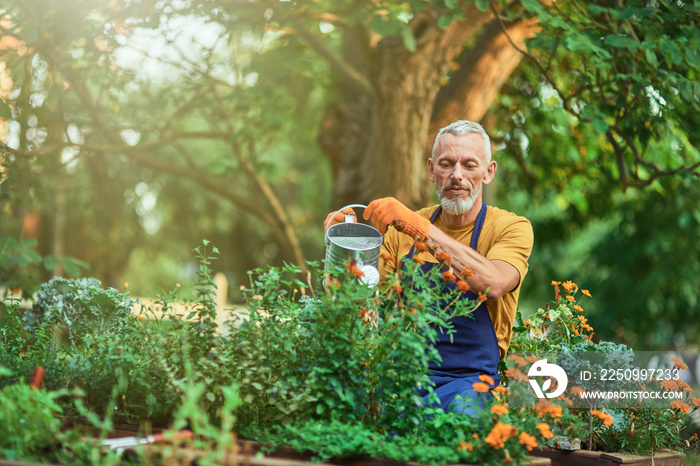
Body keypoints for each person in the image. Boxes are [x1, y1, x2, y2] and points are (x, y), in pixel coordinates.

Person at [325, 120, 533, 415]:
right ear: (431, 170)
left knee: (463, 422)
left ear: (489, 172)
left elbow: (493, 282)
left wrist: (416, 227)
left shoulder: (510, 227)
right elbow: (363, 306)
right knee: (342, 404)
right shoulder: (399, 232)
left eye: (469, 165)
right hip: (403, 378)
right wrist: (345, 251)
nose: (456, 175)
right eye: (446, 164)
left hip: (470, 385)